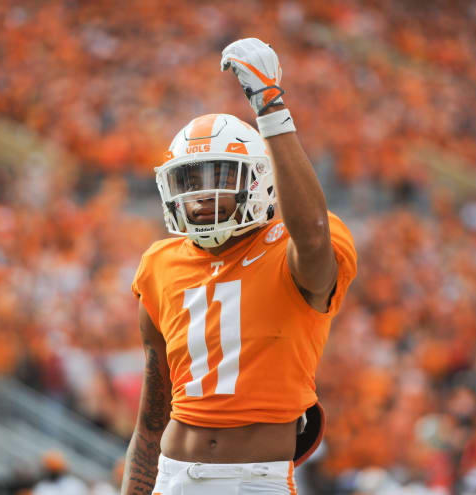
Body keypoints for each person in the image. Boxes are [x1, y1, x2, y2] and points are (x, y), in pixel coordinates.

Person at [121, 38, 358, 495]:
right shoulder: (159, 264)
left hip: (256, 481)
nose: (200, 197)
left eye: (219, 178)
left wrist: (271, 110)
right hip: (173, 475)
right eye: (189, 181)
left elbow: (310, 236)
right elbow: (151, 422)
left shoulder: (291, 244)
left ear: (259, 179)